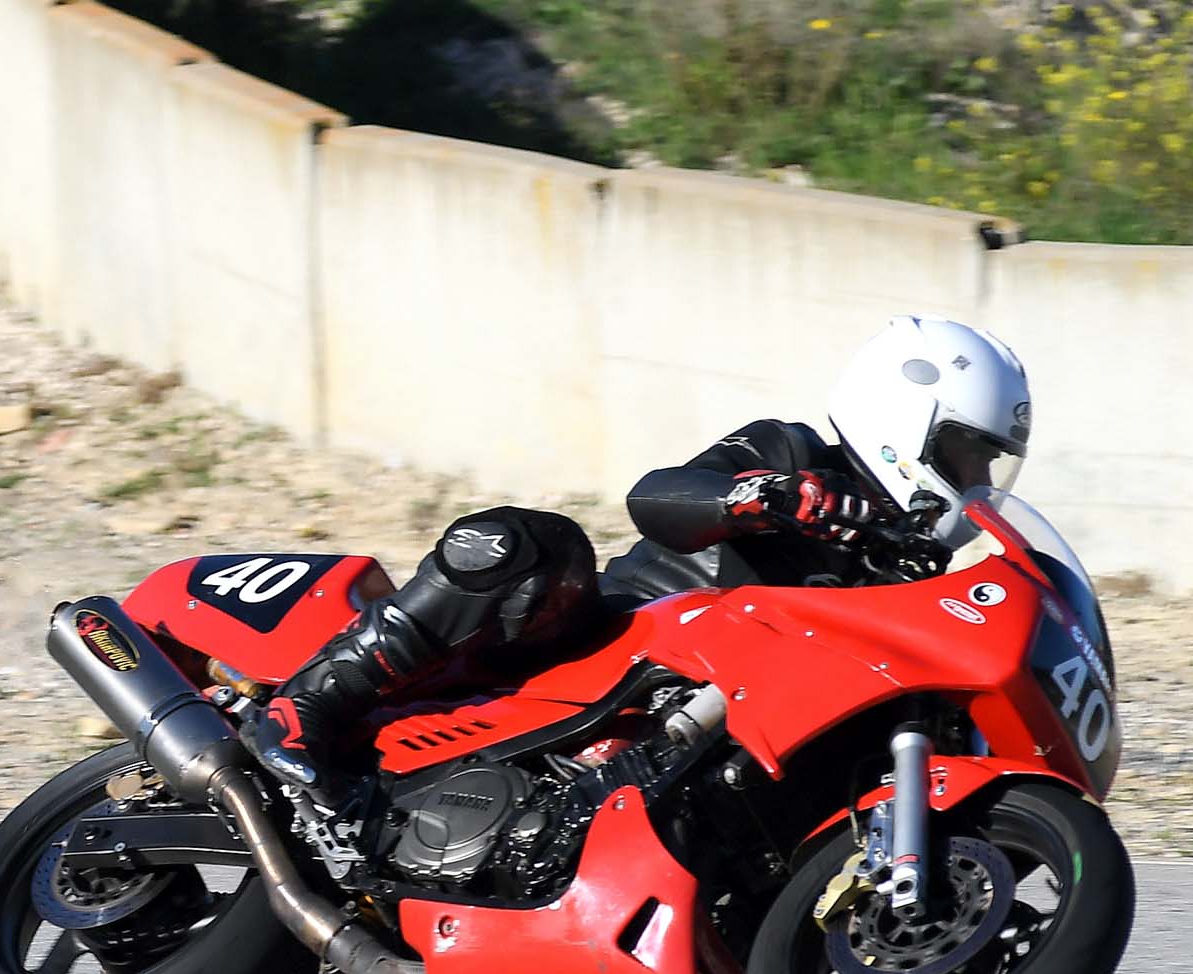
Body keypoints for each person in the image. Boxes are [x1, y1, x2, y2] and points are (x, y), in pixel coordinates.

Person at [241, 315, 1032, 810]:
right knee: (535, 545)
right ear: (905, 419)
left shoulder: (907, 576)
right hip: (615, 647)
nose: (974, 479)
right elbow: (656, 497)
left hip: (713, 739)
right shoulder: (790, 453)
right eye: (966, 453)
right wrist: (763, 497)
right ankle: (309, 703)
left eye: (986, 465)